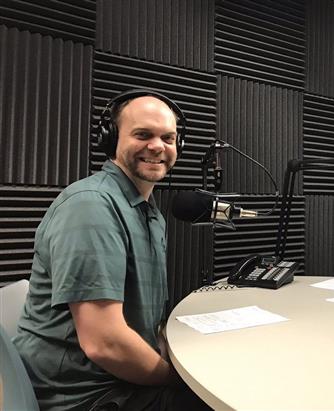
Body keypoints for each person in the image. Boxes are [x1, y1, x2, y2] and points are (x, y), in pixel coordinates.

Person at [14, 90, 210, 410]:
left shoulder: (148, 213)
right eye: (142, 134)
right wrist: (176, 377)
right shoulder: (92, 206)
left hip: (116, 381)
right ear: (111, 140)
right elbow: (105, 344)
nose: (157, 146)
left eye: (168, 137)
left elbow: (146, 320)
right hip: (84, 396)